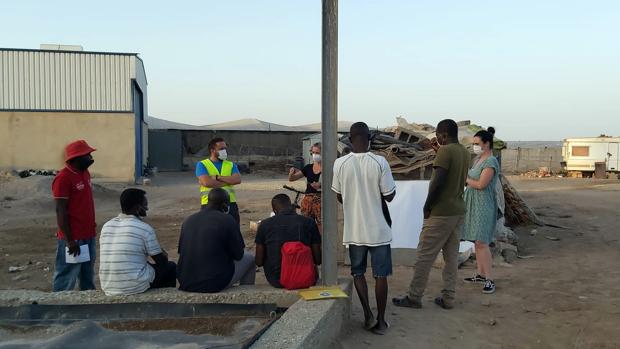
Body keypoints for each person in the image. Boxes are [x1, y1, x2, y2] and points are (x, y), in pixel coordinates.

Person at [393, 119, 470, 310]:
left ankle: (414, 296)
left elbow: (438, 181)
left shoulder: (445, 151)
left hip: (441, 212)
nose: (437, 139)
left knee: (424, 257)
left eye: (438, 135)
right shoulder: (464, 152)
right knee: (451, 258)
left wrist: (427, 206)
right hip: (457, 210)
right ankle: (448, 298)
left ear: (443, 135)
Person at [332, 122, 396, 335]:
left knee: (357, 273)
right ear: (369, 138)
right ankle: (381, 321)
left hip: (354, 231)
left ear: (350, 139)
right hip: (379, 230)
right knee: (381, 276)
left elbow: (339, 196)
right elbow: (389, 195)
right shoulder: (380, 162)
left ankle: (367, 314)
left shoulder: (339, 164)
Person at [99, 189, 176, 295]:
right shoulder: (144, 228)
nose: (147, 208)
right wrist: (162, 253)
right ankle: (167, 301)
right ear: (137, 208)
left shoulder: (107, 226)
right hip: (133, 286)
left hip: (107, 285)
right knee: (171, 267)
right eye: (145, 205)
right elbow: (161, 261)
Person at [177, 188, 255, 293]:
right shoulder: (227, 220)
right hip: (213, 283)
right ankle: (248, 301)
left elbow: (181, 251)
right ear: (224, 205)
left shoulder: (189, 220)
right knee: (250, 258)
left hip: (186, 281)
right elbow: (238, 255)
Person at [51, 140, 98, 292]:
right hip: (74, 238)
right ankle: (59, 306)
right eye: (88, 155)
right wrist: (70, 240)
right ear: (77, 158)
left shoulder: (85, 174)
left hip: (88, 234)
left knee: (87, 275)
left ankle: (88, 306)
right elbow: (60, 211)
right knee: (66, 275)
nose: (91, 158)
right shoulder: (63, 178)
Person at [461, 130, 500, 294]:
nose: (475, 147)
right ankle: (480, 274)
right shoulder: (478, 159)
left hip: (483, 205)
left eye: (477, 143)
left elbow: (481, 184)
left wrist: (464, 179)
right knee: (477, 242)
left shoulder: (490, 161)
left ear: (487, 143)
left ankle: (490, 279)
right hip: (473, 204)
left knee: (482, 242)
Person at [255, 194, 321, 288]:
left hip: (276, 280)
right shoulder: (309, 222)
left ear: (274, 210)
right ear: (291, 206)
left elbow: (259, 262)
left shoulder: (265, 225)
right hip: (305, 278)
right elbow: (318, 259)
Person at [196, 137, 242, 224]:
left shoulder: (231, 164)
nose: (224, 151)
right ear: (212, 150)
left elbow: (237, 180)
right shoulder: (202, 164)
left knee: (232, 231)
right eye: (221, 149)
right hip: (209, 204)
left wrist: (218, 178)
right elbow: (207, 182)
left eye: (225, 149)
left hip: (230, 204)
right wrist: (229, 181)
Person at [288, 143, 322, 231]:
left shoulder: (328, 168)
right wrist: (291, 174)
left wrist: (321, 185)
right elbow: (292, 178)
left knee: (321, 226)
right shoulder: (308, 168)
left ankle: (321, 243)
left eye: (317, 153)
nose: (315, 155)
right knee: (306, 225)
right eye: (313, 153)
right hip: (307, 202)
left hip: (321, 202)